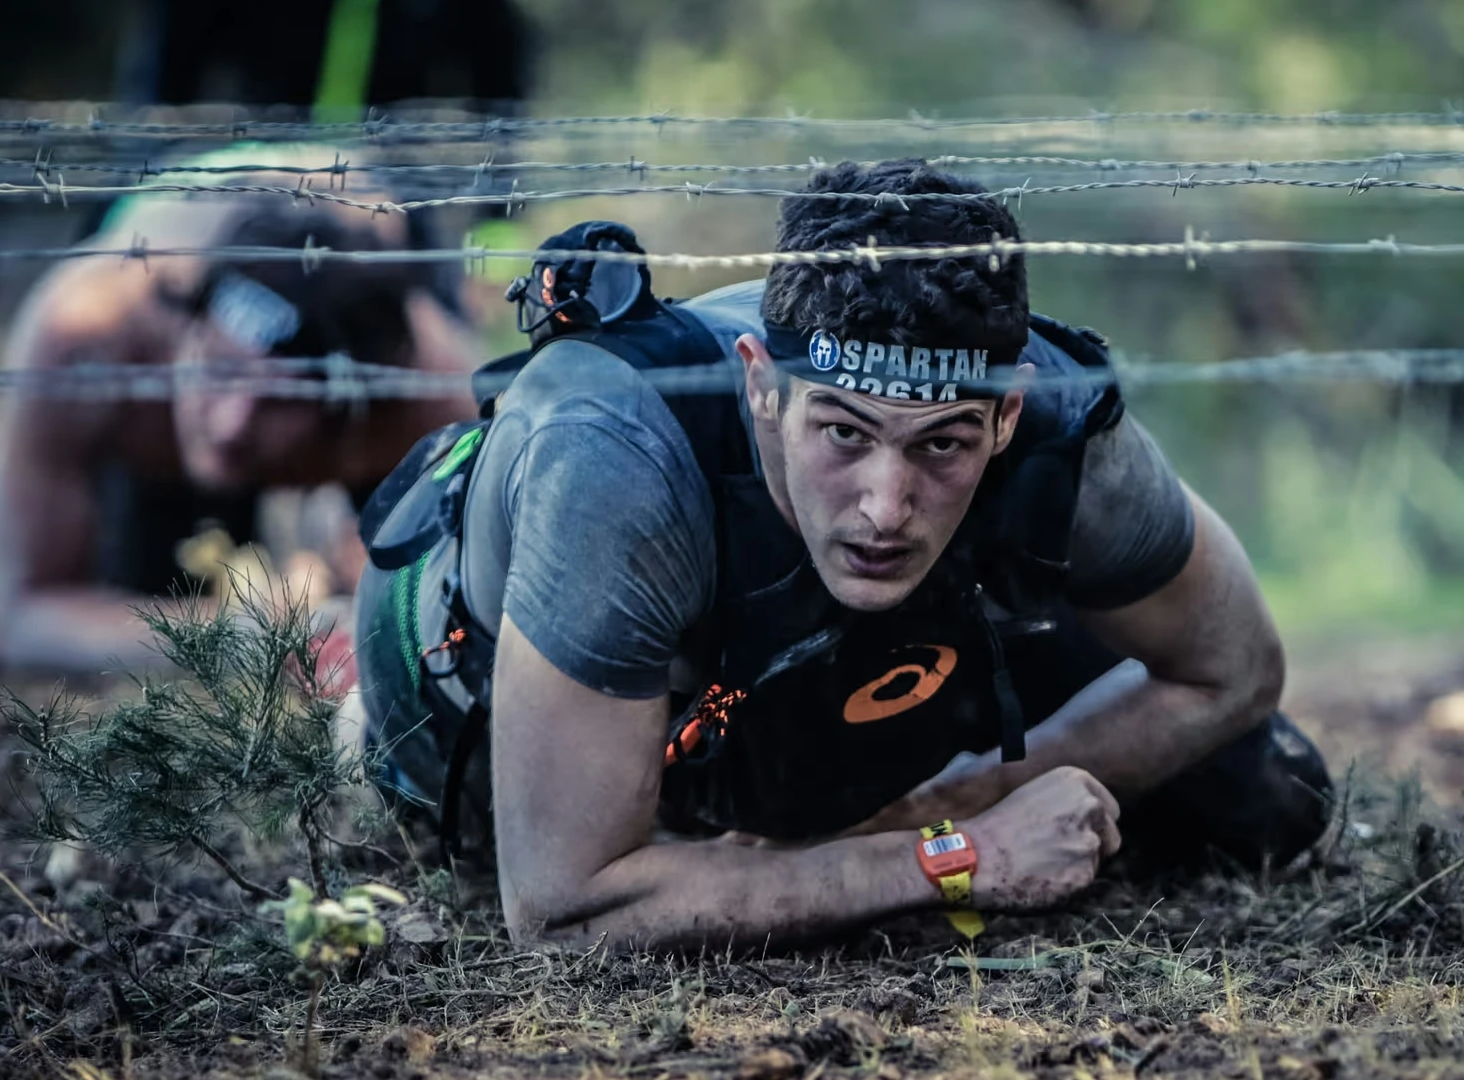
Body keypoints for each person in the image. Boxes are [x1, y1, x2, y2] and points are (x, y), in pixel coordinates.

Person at [353, 160, 1333, 951]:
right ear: (762, 389)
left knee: (1268, 789)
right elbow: (562, 912)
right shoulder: (618, 461)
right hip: (510, 697)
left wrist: (934, 803)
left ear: (1007, 412)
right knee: (615, 852)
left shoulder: (1066, 431)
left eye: (941, 444)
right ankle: (356, 730)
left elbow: (1234, 668)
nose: (886, 506)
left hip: (831, 651)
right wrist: (957, 855)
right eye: (845, 435)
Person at [0, 174, 481, 672]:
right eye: (218, 370)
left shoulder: (423, 390)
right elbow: (20, 615)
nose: (230, 425)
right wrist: (245, 634)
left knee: (410, 600)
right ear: (186, 329)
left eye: (281, 400)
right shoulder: (87, 339)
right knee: (147, 586)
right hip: (170, 224)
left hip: (370, 248)